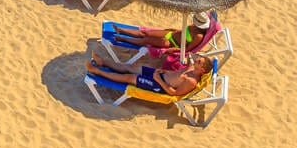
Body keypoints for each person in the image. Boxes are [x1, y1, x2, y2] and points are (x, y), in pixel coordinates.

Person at [84, 53, 220, 99]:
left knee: (128, 78)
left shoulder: (191, 81)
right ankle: (103, 62)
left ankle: (98, 72)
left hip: (158, 85)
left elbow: (174, 93)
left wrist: (157, 80)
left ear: (202, 69)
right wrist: (164, 72)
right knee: (130, 67)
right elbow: (177, 73)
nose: (196, 60)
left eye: (199, 61)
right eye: (198, 59)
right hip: (160, 75)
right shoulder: (191, 67)